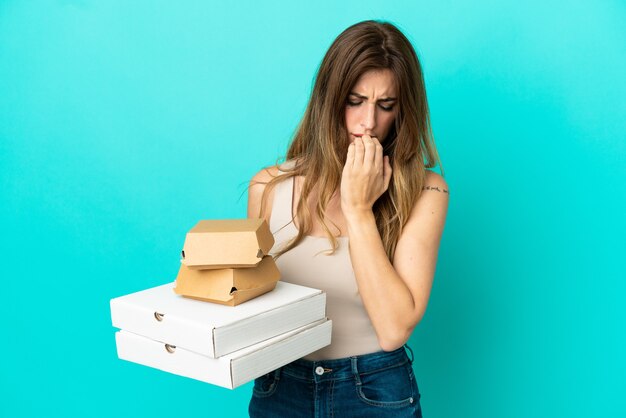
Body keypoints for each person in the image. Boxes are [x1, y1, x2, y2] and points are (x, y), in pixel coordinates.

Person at [246, 20, 448, 418]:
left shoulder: (428, 192)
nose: (368, 122)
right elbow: (253, 307)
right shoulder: (268, 187)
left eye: (385, 106)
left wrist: (359, 210)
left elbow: (394, 329)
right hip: (280, 387)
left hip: (374, 389)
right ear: (329, 99)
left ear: (402, 111)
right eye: (354, 101)